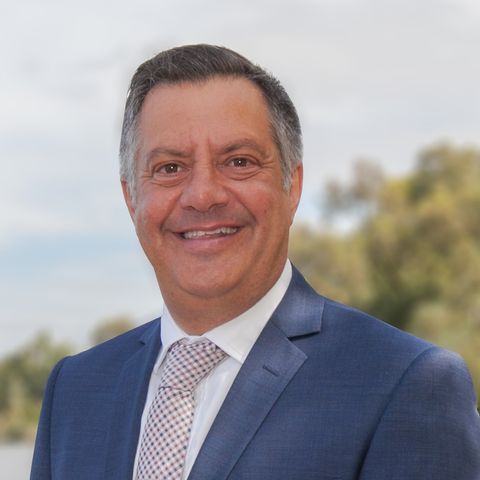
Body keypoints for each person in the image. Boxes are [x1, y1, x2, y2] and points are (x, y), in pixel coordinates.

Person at [30, 44, 480, 480]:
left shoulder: (407, 384)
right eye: (170, 168)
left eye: (238, 161)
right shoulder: (75, 389)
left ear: (292, 186)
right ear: (131, 198)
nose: (203, 195)